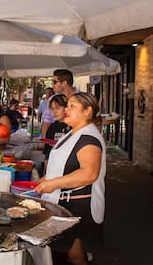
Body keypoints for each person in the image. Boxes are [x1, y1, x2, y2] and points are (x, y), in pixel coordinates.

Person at [35, 92, 106, 265]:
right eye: (68, 106)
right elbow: (65, 165)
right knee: (70, 253)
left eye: (72, 106)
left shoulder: (89, 138)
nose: (67, 109)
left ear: (87, 111)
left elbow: (89, 174)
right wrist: (45, 179)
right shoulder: (73, 133)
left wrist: (52, 183)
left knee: (75, 256)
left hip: (78, 206)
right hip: (66, 203)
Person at [41, 69, 79, 139]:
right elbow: (46, 122)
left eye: (55, 82)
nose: (52, 84)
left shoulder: (82, 98)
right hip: (54, 139)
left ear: (64, 83)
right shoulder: (52, 99)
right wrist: (45, 143)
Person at [41, 94, 70, 176]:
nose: (55, 112)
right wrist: (48, 173)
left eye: (58, 108)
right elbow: (47, 153)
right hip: (54, 169)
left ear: (66, 108)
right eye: (52, 109)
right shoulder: (52, 127)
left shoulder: (73, 127)